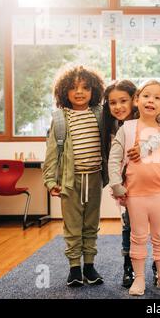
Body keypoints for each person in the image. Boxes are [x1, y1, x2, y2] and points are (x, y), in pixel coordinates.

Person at [108, 80, 160, 296]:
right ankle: (139, 278)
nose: (150, 100)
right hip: (135, 196)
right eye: (146, 96)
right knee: (138, 236)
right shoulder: (128, 128)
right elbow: (114, 159)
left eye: (156, 98)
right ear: (137, 100)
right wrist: (116, 185)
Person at [43, 65, 106, 287]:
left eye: (85, 87)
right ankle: (74, 269)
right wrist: (50, 181)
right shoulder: (61, 118)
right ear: (64, 92)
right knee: (72, 226)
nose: (79, 92)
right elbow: (51, 153)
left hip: (95, 178)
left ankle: (89, 266)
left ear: (94, 90)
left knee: (91, 224)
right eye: (73, 87)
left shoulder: (99, 113)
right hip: (70, 182)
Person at [102, 79, 138, 288]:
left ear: (134, 99)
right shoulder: (112, 127)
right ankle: (129, 267)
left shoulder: (148, 121)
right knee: (128, 226)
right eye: (112, 103)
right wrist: (117, 184)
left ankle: (157, 267)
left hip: (153, 184)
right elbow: (113, 160)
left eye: (123, 100)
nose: (118, 107)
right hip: (126, 186)